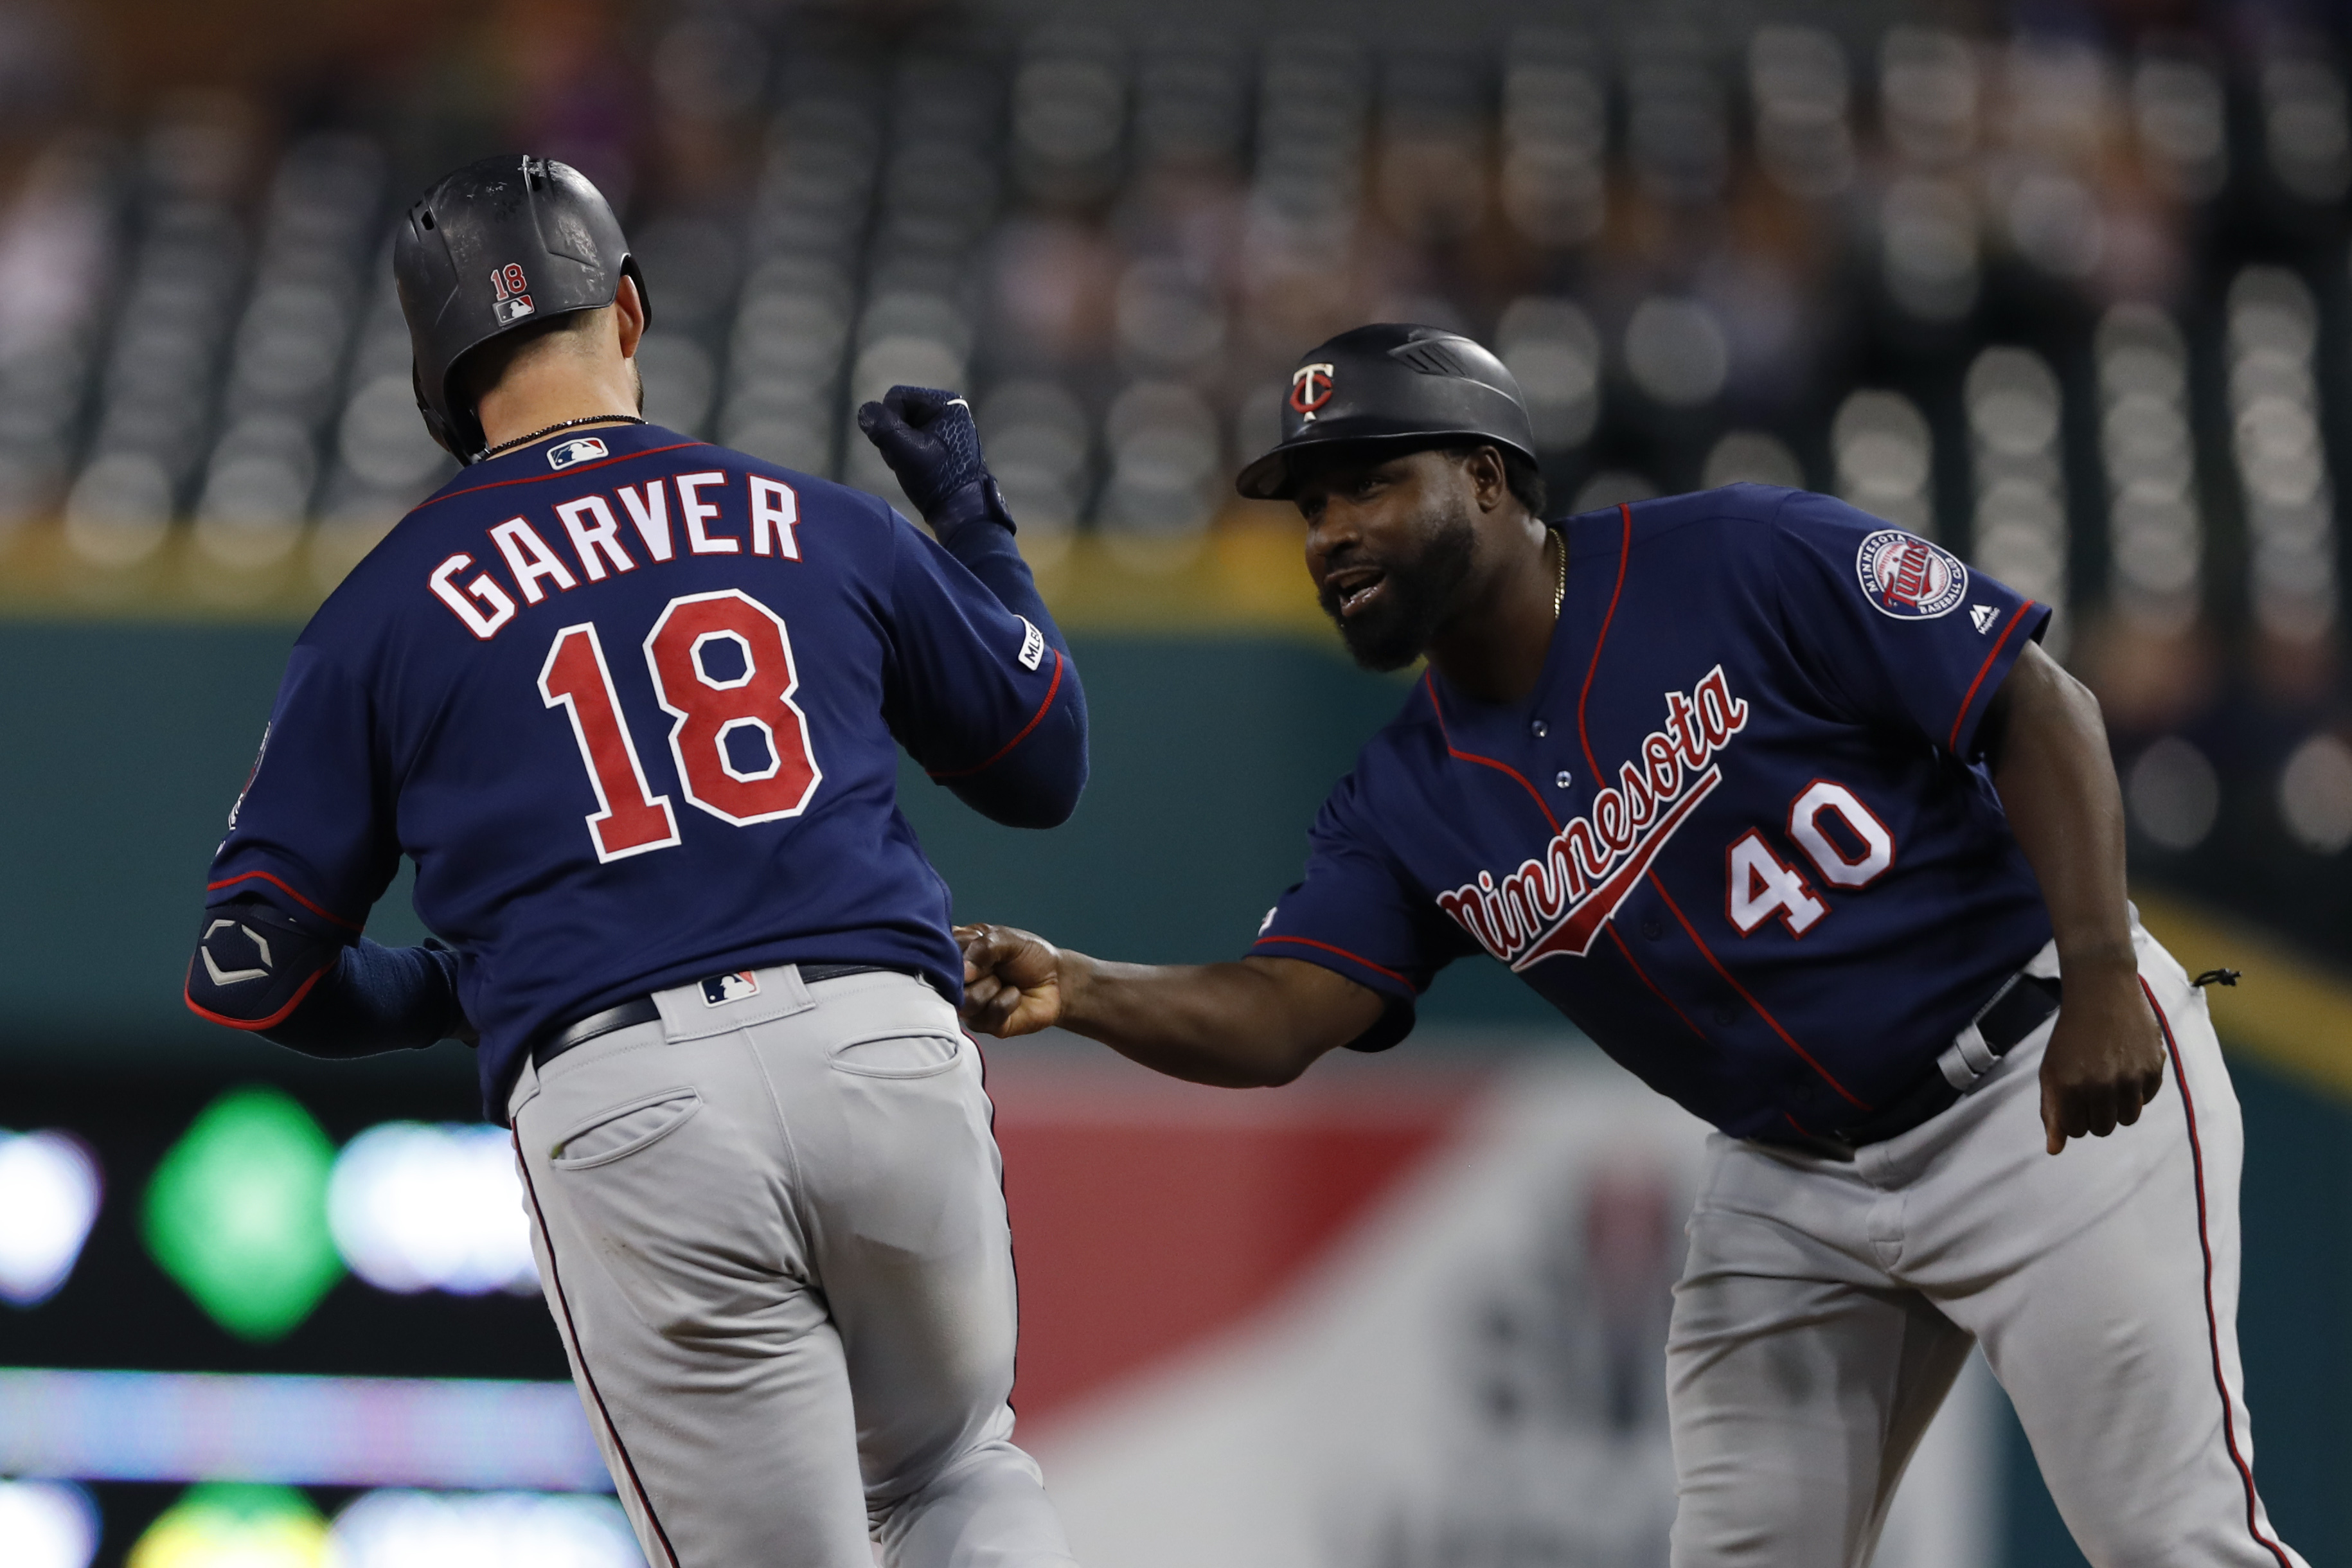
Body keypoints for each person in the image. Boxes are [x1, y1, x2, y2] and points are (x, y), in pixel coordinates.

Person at [956, 323, 2304, 1567]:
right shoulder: (1406, 798)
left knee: (2174, 1541)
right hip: (1799, 1183)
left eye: (1368, 483)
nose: (1330, 533)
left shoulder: (1735, 555)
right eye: (1313, 506)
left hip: (2038, 1082)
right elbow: (1282, 1009)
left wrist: (2107, 975)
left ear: (1486, 476)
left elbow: (2032, 698)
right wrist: (1082, 985)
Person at [183, 155, 1085, 1568]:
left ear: (437, 378)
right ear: (630, 310)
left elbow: (246, 969)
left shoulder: (382, 609)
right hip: (882, 1043)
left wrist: (445, 991)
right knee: (956, 1477)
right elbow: (1041, 756)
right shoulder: (813, 516)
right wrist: (972, 524)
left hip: (631, 1094)